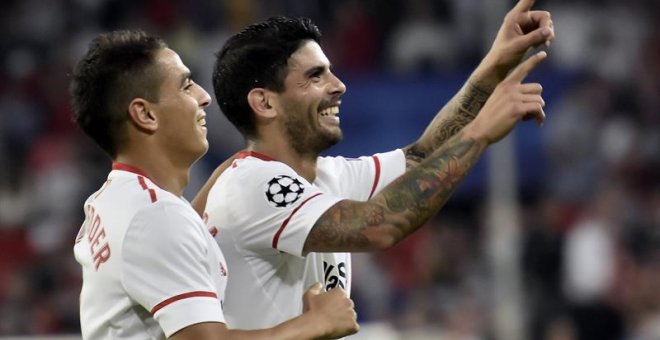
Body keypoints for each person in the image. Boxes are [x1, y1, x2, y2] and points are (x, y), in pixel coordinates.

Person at [197, 0, 554, 330]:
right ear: (264, 103)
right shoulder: (253, 184)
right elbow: (381, 225)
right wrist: (479, 134)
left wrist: (494, 66)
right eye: (315, 76)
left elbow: (422, 158)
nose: (339, 86)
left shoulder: (321, 176)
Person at [70, 29, 358, 340]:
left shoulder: (118, 199)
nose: (204, 96)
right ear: (145, 114)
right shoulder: (155, 216)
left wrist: (240, 167)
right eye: (186, 86)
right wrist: (317, 323)